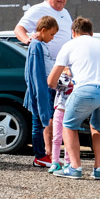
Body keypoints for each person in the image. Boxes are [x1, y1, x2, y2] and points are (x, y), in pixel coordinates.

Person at [46, 17, 100, 179]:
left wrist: (63, 80)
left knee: (69, 125)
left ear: (73, 32)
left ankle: (75, 167)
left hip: (86, 89)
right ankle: (99, 169)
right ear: (91, 33)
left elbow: (51, 81)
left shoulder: (69, 45)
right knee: (98, 127)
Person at [15, 0, 72, 167]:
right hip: (46, 78)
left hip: (58, 74)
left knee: (49, 116)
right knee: (40, 118)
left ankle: (49, 154)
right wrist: (29, 41)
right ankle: (42, 155)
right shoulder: (38, 12)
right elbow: (19, 29)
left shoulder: (65, 14)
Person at [22, 16, 57, 165]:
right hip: (40, 90)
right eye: (51, 34)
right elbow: (36, 73)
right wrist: (40, 93)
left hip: (42, 89)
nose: (52, 37)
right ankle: (40, 156)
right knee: (38, 123)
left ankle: (42, 155)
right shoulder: (36, 45)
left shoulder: (39, 43)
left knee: (41, 122)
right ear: (43, 30)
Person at [48, 70, 73, 174]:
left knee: (69, 138)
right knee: (56, 137)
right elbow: (57, 84)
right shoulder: (61, 72)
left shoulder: (79, 72)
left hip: (71, 109)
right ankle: (55, 161)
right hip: (60, 108)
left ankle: (68, 161)